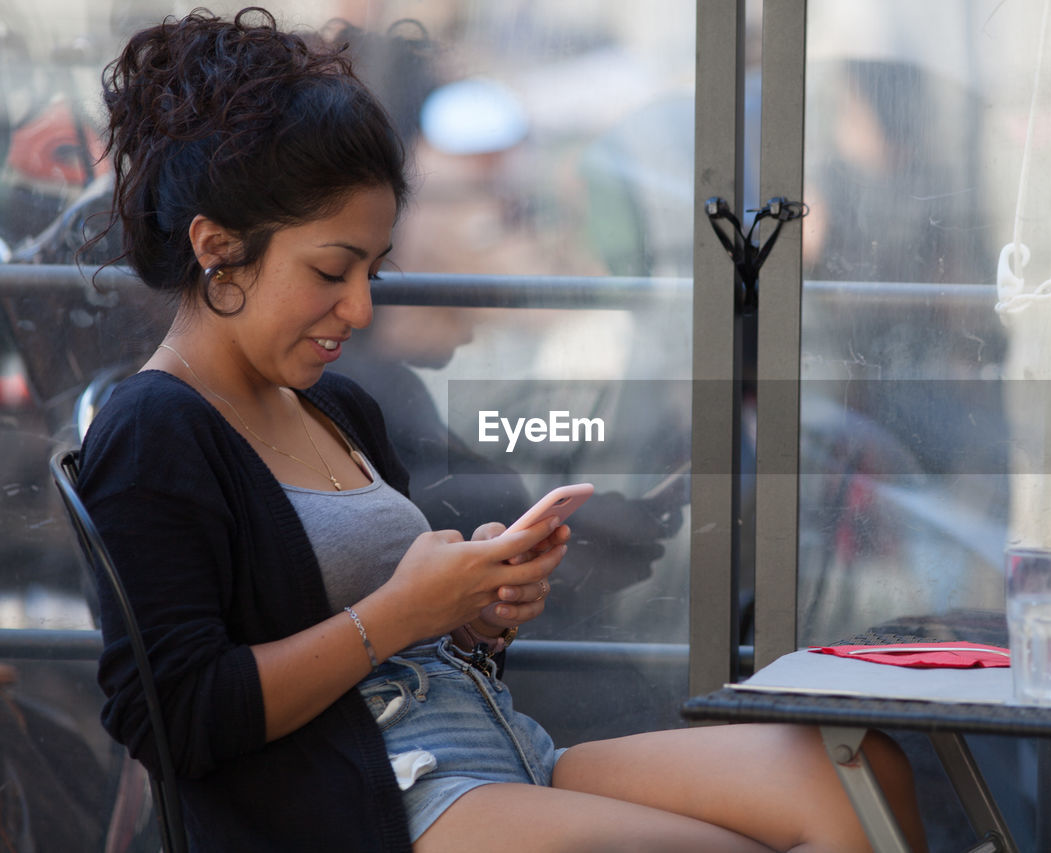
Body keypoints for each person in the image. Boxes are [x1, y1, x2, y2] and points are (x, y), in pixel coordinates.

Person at [77, 8, 927, 851]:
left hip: (495, 751)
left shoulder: (338, 407)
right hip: (382, 800)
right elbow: (177, 716)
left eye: (372, 270)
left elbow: (396, 635)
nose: (361, 307)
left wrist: (471, 611)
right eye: (330, 271)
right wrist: (399, 611)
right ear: (218, 248)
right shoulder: (153, 428)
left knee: (861, 777)